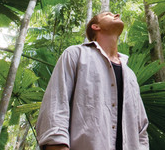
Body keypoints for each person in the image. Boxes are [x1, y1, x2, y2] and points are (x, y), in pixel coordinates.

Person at [36, 11, 149, 150]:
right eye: (108, 14)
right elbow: (56, 104)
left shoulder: (130, 75)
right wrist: (57, 145)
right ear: (95, 26)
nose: (117, 14)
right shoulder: (75, 55)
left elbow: (141, 127)